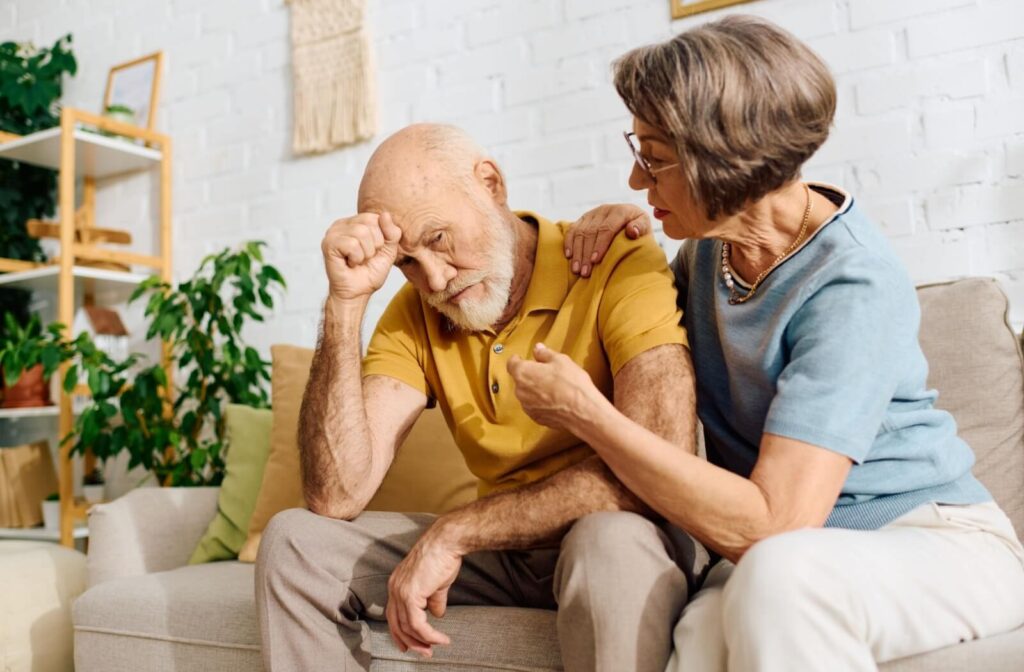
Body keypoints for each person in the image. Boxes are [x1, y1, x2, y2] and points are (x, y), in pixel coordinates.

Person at [507, 15, 1024, 671]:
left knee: (779, 581)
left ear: (724, 159)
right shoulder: (706, 257)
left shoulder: (852, 286)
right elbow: (643, 358)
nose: (638, 181)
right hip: (786, 552)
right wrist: (626, 255)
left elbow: (775, 524)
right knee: (699, 640)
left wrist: (589, 416)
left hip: (934, 543)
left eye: (655, 157)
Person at [254, 123, 709, 672]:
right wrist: (345, 304)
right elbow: (336, 496)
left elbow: (664, 458)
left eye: (439, 239)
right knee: (294, 542)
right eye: (407, 262)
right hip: (507, 551)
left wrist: (458, 530)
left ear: (490, 183)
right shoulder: (416, 312)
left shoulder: (612, 258)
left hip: (621, 529)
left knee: (608, 544)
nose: (436, 278)